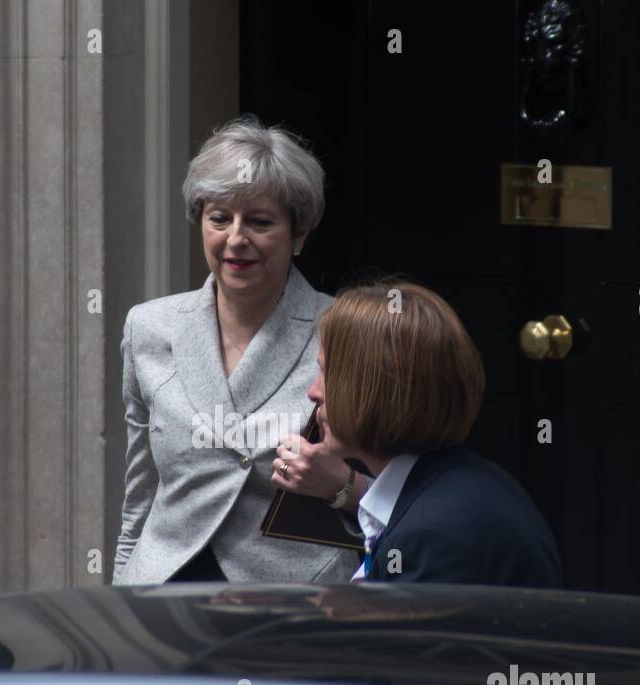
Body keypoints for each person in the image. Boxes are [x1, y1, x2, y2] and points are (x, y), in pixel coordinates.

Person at [112, 116, 364, 584]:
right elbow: (141, 490)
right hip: (166, 590)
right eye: (220, 218)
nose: (236, 239)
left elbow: (393, 496)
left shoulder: (345, 329)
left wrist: (341, 487)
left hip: (295, 599)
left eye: (260, 221)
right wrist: (122, 600)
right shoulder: (149, 326)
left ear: (299, 233)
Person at [284, 280, 563, 587]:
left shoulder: (434, 536)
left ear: (378, 392)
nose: (313, 393)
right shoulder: (458, 483)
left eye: (326, 373)